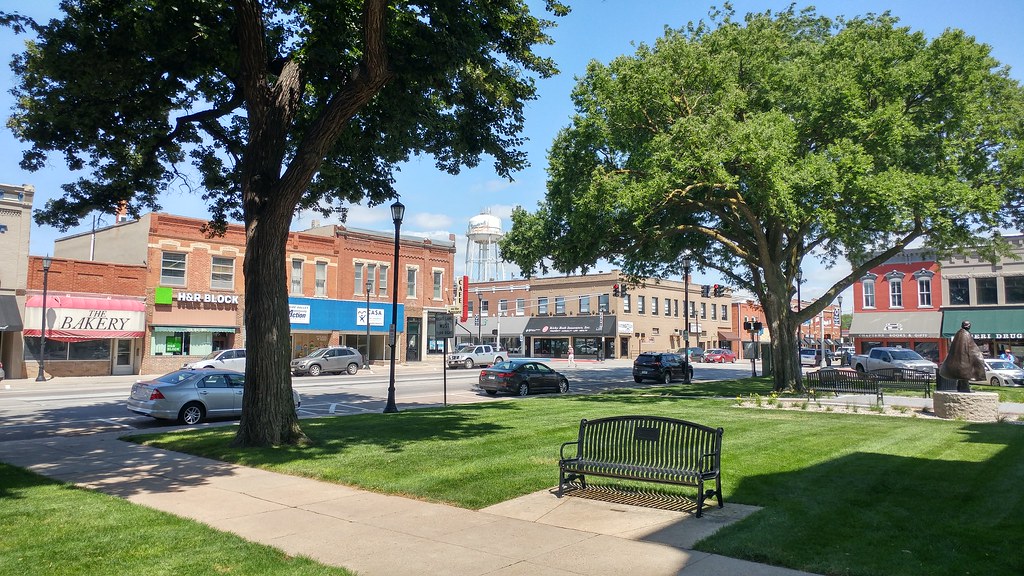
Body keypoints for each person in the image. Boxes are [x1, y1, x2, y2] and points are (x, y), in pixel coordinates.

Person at [939, 321, 987, 392]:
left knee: (963, 377)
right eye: (968, 325)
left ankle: (962, 388)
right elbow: (971, 347)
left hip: (961, 360)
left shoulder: (959, 334)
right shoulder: (965, 334)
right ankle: (964, 389)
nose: (969, 326)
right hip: (964, 360)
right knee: (964, 376)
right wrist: (978, 355)